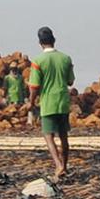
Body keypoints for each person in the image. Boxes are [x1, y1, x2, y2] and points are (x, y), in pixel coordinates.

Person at [31, 27, 75, 180]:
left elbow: (34, 86)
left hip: (48, 102)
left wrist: (31, 102)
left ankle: (58, 165)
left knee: (48, 136)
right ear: (54, 40)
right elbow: (70, 81)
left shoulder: (38, 61)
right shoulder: (65, 58)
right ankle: (65, 165)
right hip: (63, 100)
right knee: (63, 136)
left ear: (40, 43)